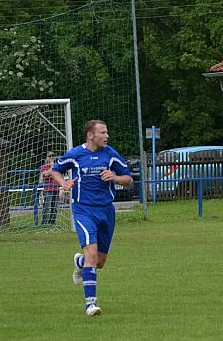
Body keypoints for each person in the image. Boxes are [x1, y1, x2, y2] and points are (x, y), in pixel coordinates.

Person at [50, 120, 132, 316]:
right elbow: (54, 170)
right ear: (90, 135)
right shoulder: (76, 154)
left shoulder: (110, 154)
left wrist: (114, 177)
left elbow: (128, 179)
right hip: (83, 210)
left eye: (107, 132)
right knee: (92, 254)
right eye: (103, 132)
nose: (107, 136)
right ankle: (90, 304)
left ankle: (79, 262)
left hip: (106, 211)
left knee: (100, 261)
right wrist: (64, 182)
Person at [40, 151, 61, 225]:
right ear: (47, 158)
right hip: (48, 189)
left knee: (54, 207)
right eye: (50, 156)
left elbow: (57, 176)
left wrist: (51, 173)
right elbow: (45, 175)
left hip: (56, 188)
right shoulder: (44, 167)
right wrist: (52, 167)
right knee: (47, 206)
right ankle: (44, 223)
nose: (51, 157)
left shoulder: (58, 166)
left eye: (53, 155)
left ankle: (52, 222)